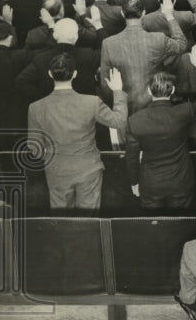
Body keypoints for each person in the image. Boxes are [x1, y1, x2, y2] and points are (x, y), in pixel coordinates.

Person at [26, 56, 127, 212]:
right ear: (74, 74)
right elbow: (119, 121)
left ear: (50, 74)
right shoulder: (92, 102)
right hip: (89, 168)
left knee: (62, 221)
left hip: (56, 170)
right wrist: (118, 91)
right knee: (88, 222)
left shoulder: (36, 107)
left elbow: (35, 148)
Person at [125, 46, 196, 212]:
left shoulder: (135, 121)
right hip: (181, 181)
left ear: (149, 91)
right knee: (180, 224)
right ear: (172, 90)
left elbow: (131, 157)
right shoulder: (184, 112)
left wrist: (134, 182)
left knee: (153, 226)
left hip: (150, 183)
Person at [99, 0, 188, 114]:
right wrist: (169, 15)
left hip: (123, 108)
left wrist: (117, 107)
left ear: (122, 13)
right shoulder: (158, 39)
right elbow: (181, 44)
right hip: (153, 106)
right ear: (144, 13)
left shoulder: (108, 44)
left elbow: (105, 84)